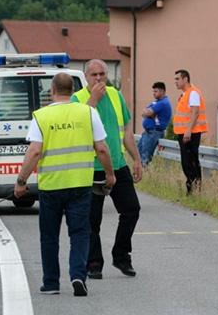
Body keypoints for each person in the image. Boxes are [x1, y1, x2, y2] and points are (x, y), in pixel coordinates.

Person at [14, 73, 115, 297]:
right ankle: (78, 275)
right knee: (79, 233)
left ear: (52, 90)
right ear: (72, 90)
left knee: (49, 235)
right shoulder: (88, 112)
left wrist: (21, 181)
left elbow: (34, 151)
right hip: (80, 185)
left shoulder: (41, 116)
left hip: (51, 186)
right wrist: (110, 174)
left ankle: (50, 283)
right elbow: (102, 148)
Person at [72, 59, 143, 279]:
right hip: (91, 167)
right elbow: (80, 127)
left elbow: (126, 132)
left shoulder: (115, 95)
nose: (100, 78)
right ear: (86, 77)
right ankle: (94, 263)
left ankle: (121, 256)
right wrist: (93, 100)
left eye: (103, 74)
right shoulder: (78, 99)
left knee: (131, 209)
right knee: (92, 220)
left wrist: (137, 160)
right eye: (94, 75)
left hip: (117, 163)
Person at [173, 70, 207, 195]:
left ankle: (194, 189)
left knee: (190, 162)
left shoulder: (192, 93)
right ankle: (193, 189)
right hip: (185, 133)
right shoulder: (185, 94)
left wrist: (188, 131)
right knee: (187, 162)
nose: (175, 82)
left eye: (177, 79)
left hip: (190, 134)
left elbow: (195, 112)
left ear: (185, 79)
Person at [138, 82, 172, 166]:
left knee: (145, 156)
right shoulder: (156, 102)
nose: (154, 93)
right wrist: (150, 113)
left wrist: (150, 113)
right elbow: (144, 112)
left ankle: (144, 173)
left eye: (156, 91)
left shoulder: (163, 103)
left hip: (154, 132)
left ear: (162, 91)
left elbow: (148, 112)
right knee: (139, 153)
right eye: (153, 91)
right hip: (148, 132)